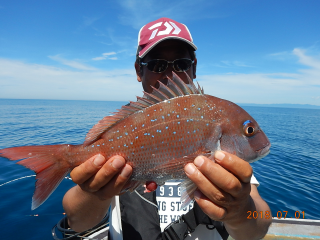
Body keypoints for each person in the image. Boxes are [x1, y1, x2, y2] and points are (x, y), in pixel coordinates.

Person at [62, 17, 272, 240]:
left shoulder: (226, 156)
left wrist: (240, 212)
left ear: (195, 67)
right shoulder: (123, 129)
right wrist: (94, 194)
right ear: (138, 70)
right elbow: (77, 222)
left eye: (181, 64)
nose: (170, 74)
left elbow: (258, 225)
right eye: (157, 65)